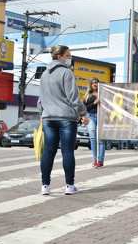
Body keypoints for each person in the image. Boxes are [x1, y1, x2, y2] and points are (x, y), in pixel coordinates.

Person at [39, 45, 88, 196]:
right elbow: (73, 97)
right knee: (67, 151)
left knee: (48, 151)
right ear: (59, 56)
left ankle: (45, 186)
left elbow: (40, 100)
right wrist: (83, 113)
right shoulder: (67, 73)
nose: (69, 58)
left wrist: (44, 113)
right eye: (68, 55)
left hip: (48, 118)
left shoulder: (43, 74)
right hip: (66, 117)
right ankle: (69, 185)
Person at [84, 78, 105, 168]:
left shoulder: (103, 93)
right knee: (93, 138)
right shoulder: (88, 95)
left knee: (101, 139)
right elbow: (85, 108)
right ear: (91, 85)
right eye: (93, 83)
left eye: (97, 82)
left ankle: (100, 160)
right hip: (91, 117)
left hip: (101, 117)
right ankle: (95, 160)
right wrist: (94, 103)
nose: (95, 84)